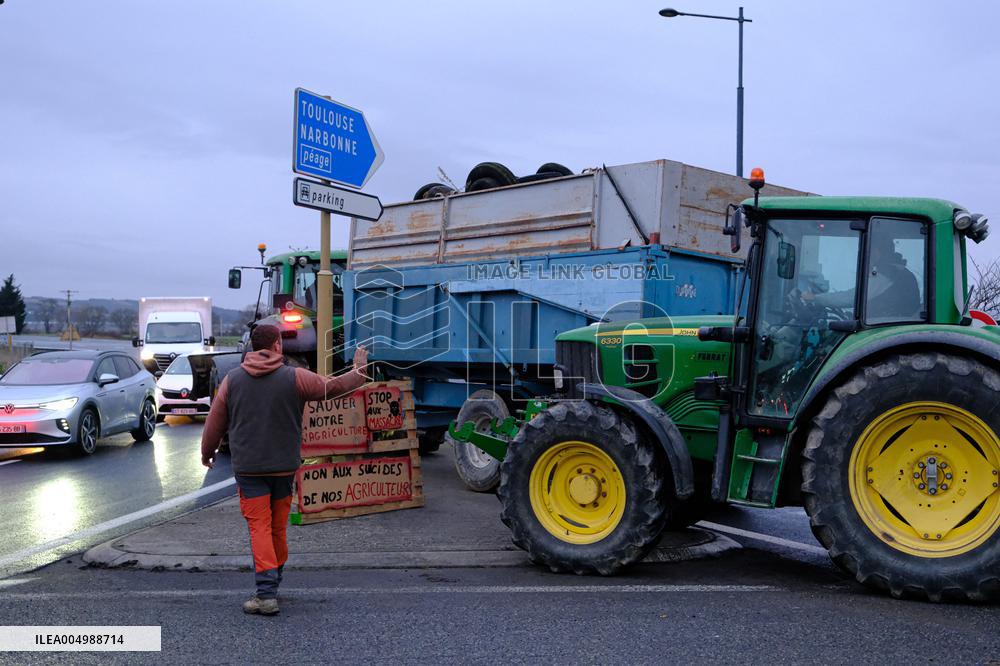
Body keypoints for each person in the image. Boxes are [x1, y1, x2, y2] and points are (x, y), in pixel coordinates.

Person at [200, 324, 368, 616]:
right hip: (284, 468)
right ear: (278, 345)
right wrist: (358, 371)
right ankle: (273, 580)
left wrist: (207, 452)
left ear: (253, 347)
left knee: (259, 527)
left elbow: (215, 421)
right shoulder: (295, 377)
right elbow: (334, 387)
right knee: (276, 526)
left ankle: (265, 594)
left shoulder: (232, 380)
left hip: (250, 470)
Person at [803, 234, 920, 319]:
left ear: (878, 251)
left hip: (888, 325)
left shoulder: (887, 272)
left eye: (870, 249)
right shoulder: (895, 270)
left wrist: (815, 298)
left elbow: (853, 297)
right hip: (889, 323)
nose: (867, 255)